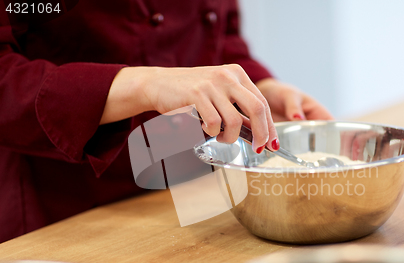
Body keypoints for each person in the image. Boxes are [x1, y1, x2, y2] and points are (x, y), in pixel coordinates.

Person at [0, 0, 333, 243]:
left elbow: (219, 32)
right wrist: (145, 84)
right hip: (64, 208)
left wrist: (260, 88)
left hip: (192, 189)